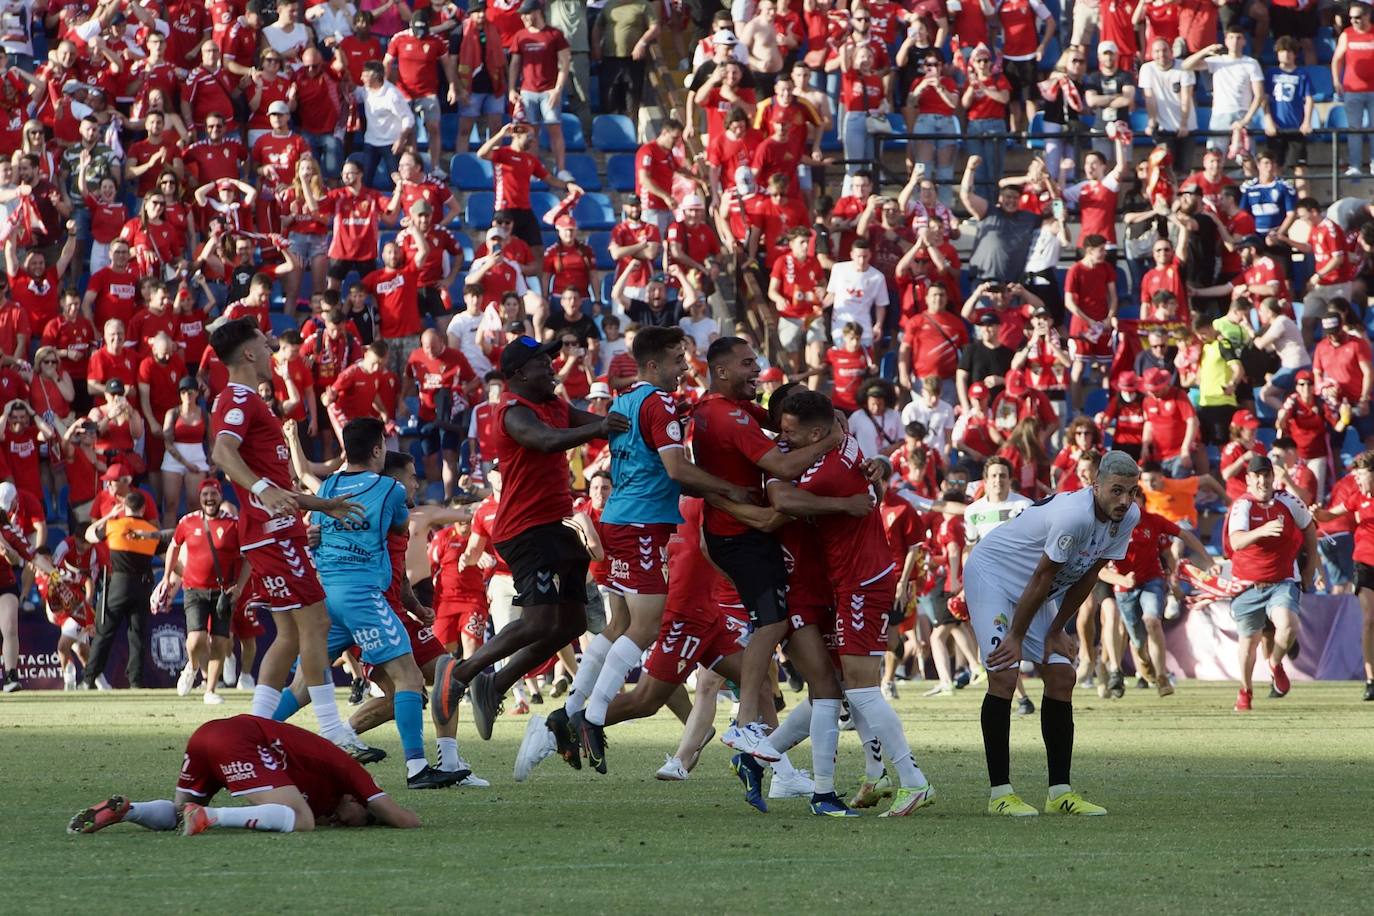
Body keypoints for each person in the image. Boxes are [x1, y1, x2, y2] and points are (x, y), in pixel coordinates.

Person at [519, 326, 748, 773]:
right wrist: (729, 488)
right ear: (651, 365)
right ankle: (592, 717)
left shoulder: (623, 401)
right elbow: (676, 467)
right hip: (641, 521)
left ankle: (572, 710)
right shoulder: (658, 403)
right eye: (677, 360)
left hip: (623, 518)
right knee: (645, 626)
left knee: (620, 622)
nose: (684, 368)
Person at [431, 336, 629, 738]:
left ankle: (495, 685)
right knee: (539, 621)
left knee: (571, 622)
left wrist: (624, 423)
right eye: (542, 363)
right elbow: (546, 440)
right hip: (526, 530)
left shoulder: (553, 403)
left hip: (557, 525)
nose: (552, 368)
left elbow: (585, 426)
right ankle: (461, 672)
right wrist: (603, 426)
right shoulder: (513, 412)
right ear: (519, 374)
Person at [207, 318, 369, 753]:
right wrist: (261, 489)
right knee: (316, 622)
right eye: (264, 342)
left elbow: (278, 487)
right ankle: (334, 731)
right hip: (273, 535)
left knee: (290, 634)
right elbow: (222, 451)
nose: (271, 347)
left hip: (273, 532)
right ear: (248, 354)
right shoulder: (239, 397)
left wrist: (325, 505)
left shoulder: (248, 401)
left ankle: (254, 732)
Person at [280, 417, 460, 789]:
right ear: (378, 449)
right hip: (362, 594)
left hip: (326, 598)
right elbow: (397, 527)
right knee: (408, 677)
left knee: (302, 685)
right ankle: (417, 769)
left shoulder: (329, 484)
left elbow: (317, 525)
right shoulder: (389, 490)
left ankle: (252, 731)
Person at [689, 337, 845, 761]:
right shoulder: (727, 418)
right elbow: (782, 465)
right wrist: (830, 439)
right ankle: (744, 724)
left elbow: (781, 420)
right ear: (721, 371)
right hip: (741, 535)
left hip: (736, 531)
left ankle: (756, 735)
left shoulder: (726, 410)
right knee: (772, 626)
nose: (755, 370)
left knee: (774, 627)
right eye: (746, 363)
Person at [965, 449, 1142, 817]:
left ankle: (1060, 792)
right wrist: (1016, 635)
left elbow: (1090, 573)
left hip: (1035, 590)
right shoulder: (1073, 515)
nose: (1125, 500)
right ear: (1096, 486)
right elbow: (1042, 576)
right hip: (993, 576)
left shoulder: (1127, 517)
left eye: (1131, 491)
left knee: (1062, 675)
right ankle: (1001, 793)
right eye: (1116, 491)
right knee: (1004, 674)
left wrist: (1058, 628)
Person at [68, 716, 420, 836]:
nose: (356, 823)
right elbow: (403, 819)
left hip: (207, 736)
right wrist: (397, 817)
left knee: (177, 814)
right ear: (354, 799)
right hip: (238, 738)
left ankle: (129, 810)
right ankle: (210, 817)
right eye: (364, 818)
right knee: (302, 820)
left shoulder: (329, 797)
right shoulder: (351, 773)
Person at [1312, 453, 1374, 701]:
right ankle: (1371, 679)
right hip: (1364, 563)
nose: (1358, 480)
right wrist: (1319, 512)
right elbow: (1331, 515)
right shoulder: (1356, 498)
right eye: (1356, 475)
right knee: (1369, 619)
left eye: (1362, 475)